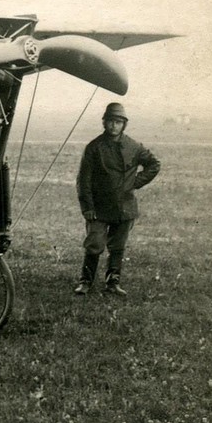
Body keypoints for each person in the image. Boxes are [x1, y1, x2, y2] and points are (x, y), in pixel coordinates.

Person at [74, 102, 161, 296]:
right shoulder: (94, 147)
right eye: (111, 121)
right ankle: (85, 282)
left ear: (124, 124)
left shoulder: (133, 146)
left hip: (125, 206)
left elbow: (154, 164)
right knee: (94, 244)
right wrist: (87, 207)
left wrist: (135, 182)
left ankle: (113, 283)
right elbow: (83, 180)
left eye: (118, 122)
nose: (114, 126)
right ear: (104, 123)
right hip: (99, 206)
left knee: (118, 246)